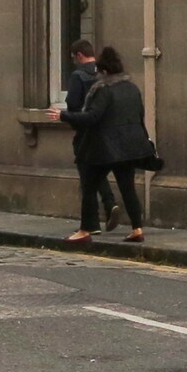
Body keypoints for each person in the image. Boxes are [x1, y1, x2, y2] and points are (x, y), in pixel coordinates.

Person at [67, 45, 147, 244]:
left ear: (103, 70)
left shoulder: (103, 90)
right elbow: (139, 115)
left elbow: (93, 116)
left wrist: (63, 115)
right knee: (128, 187)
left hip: (105, 147)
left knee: (89, 185)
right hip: (130, 146)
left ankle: (85, 229)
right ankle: (137, 229)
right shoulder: (132, 88)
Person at [56, 39, 118, 233]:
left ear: (79, 55)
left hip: (85, 131)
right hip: (106, 131)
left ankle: (91, 224)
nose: (74, 62)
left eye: (74, 58)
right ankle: (109, 204)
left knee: (87, 175)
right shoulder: (105, 74)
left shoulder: (78, 76)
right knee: (97, 171)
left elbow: (73, 103)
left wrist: (72, 120)